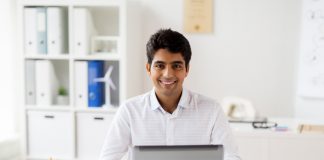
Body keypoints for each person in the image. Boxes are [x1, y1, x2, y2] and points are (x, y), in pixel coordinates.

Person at [99, 29, 241, 160]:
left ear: (187, 69)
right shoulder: (129, 110)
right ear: (148, 69)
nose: (168, 74)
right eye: (160, 65)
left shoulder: (211, 110)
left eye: (176, 66)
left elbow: (232, 156)